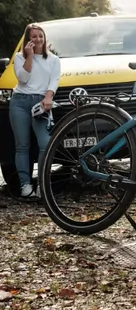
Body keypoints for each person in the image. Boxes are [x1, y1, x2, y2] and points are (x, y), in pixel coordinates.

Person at [9, 23, 61, 198]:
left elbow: (54, 80)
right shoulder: (19, 56)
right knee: (22, 145)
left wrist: (48, 97)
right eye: (34, 36)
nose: (38, 39)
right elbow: (23, 79)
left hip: (40, 103)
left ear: (44, 38)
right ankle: (25, 185)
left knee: (45, 144)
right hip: (20, 102)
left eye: (40, 36)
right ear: (28, 39)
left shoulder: (53, 59)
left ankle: (42, 185)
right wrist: (29, 56)